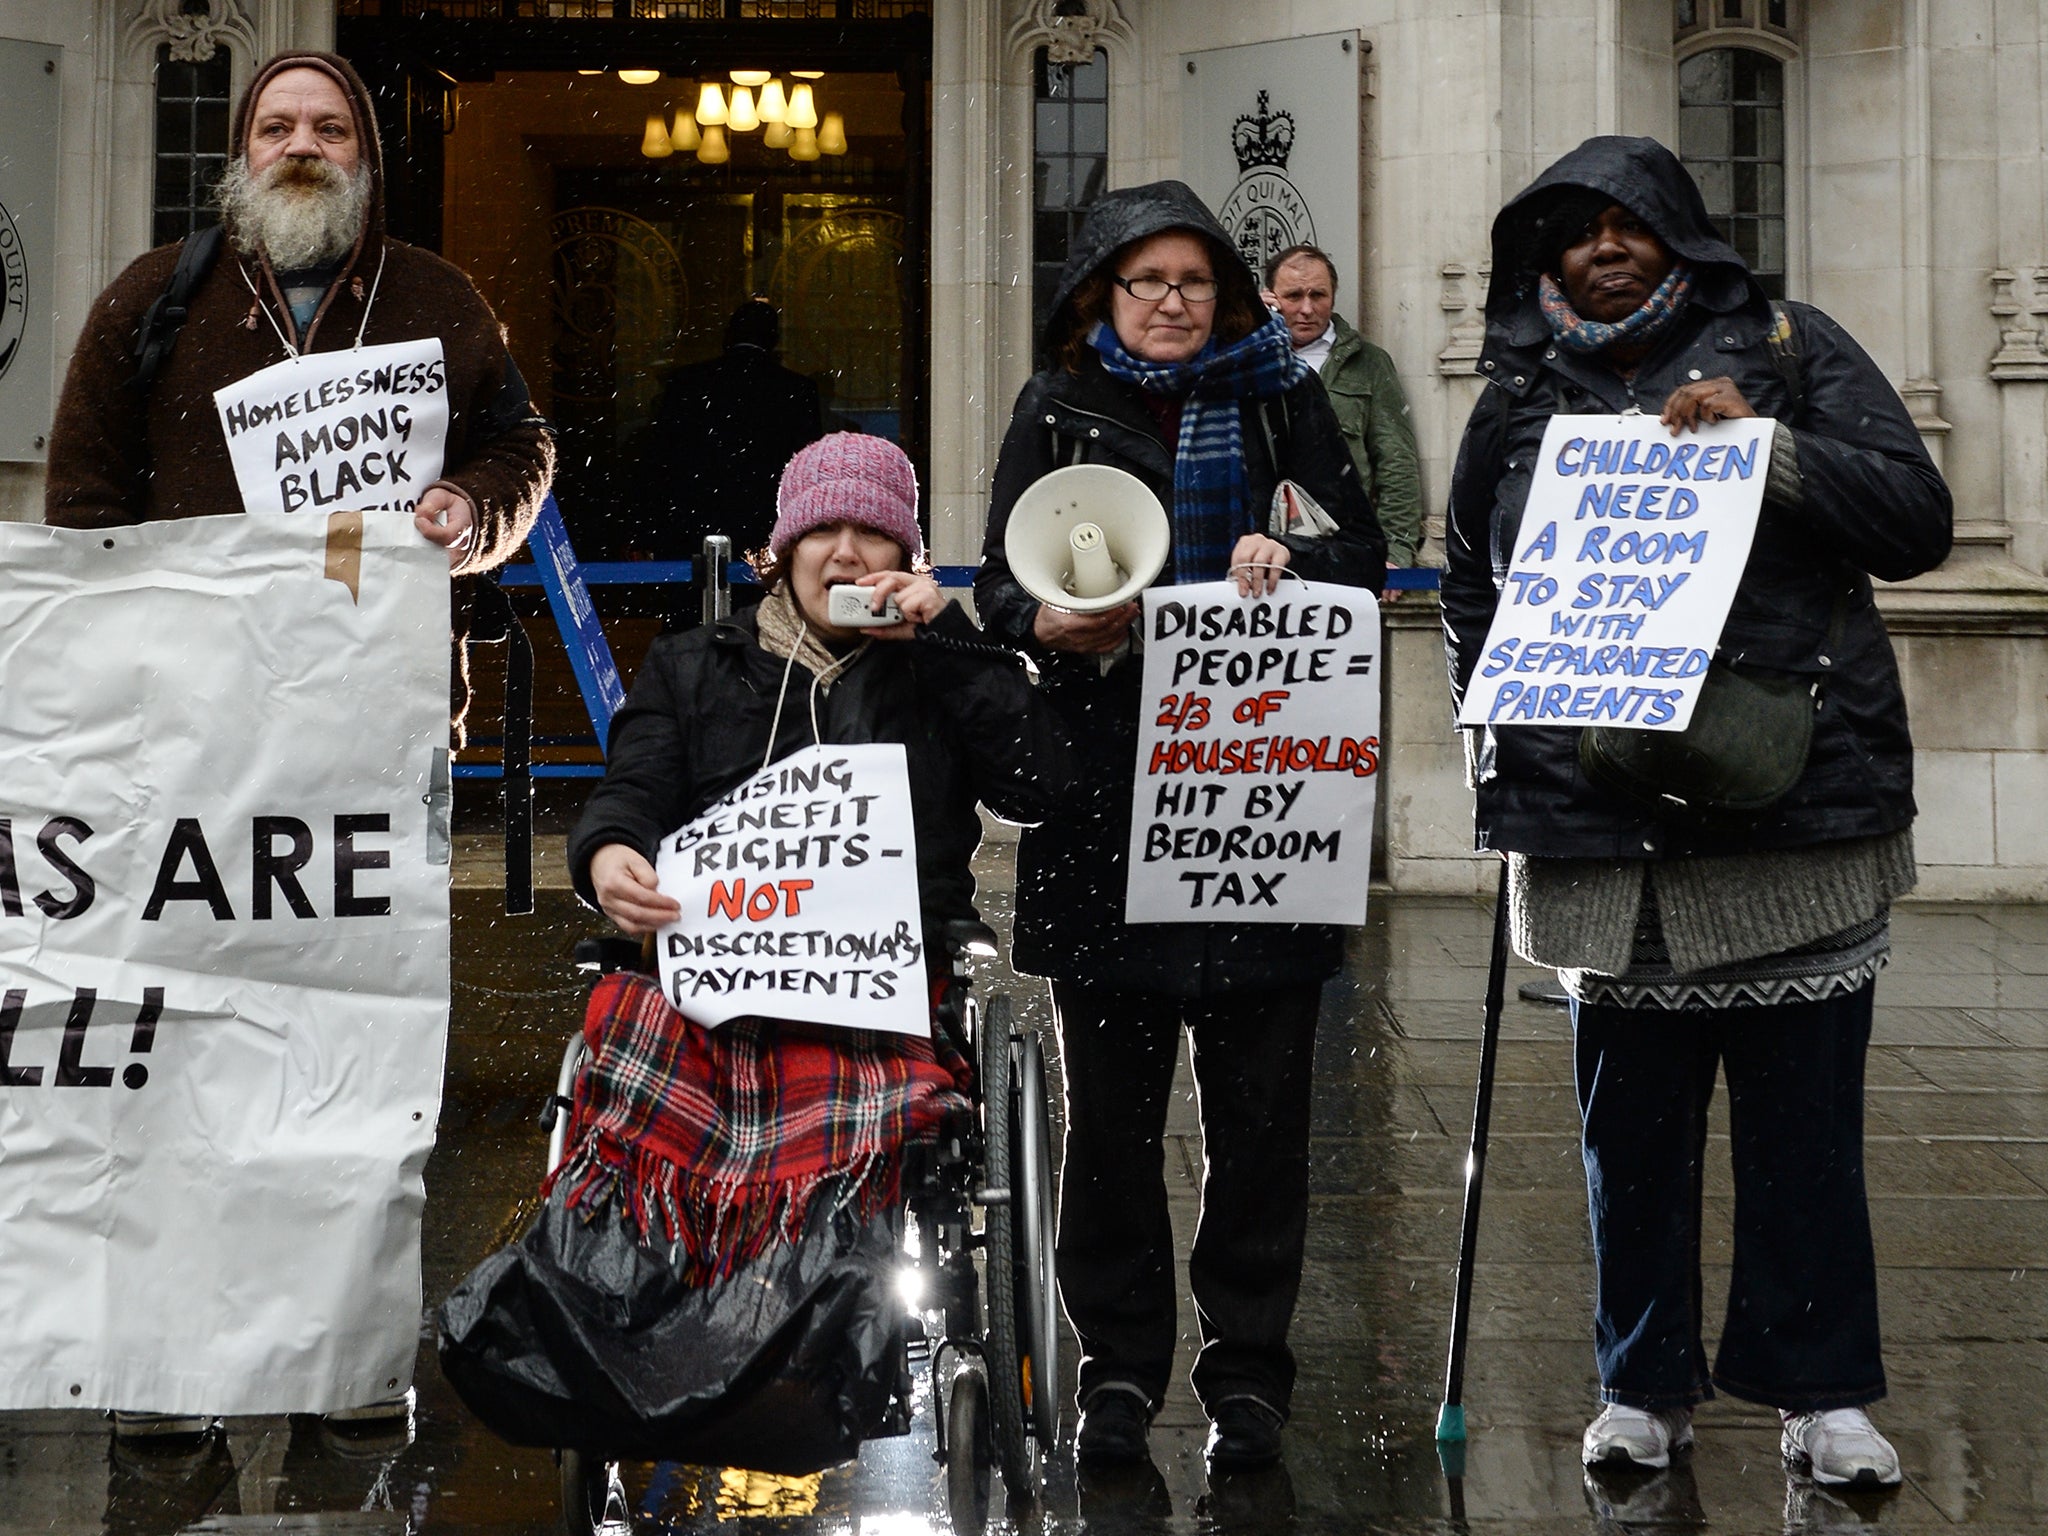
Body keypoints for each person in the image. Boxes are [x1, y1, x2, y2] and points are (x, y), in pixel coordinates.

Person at [1441, 137, 1951, 1488]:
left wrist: (1768, 447)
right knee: (1631, 1144)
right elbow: (1468, 593)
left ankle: (1823, 1394)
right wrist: (1488, 727)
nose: (1604, 247)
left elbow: (1914, 515)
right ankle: (1641, 1389)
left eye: (1630, 223)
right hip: (1602, 840)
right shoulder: (1514, 397)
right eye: (1575, 231)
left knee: (1805, 1140)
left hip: (1789, 815)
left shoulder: (1791, 347)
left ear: (1681, 232)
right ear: (1541, 258)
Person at [974, 181, 1386, 1476]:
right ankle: (1116, 1374)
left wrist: (1290, 558)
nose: (1169, 303)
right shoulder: (1056, 414)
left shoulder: (1281, 399)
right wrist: (1043, 622)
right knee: (1110, 1128)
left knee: (1262, 1122)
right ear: (1103, 294)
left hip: (1261, 797)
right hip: (1107, 800)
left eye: (1193, 283)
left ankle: (1249, 1374)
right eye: (1145, 282)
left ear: (1229, 297)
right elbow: (995, 579)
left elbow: (1361, 547)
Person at [44, 50, 554, 743]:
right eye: (276, 128)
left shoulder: (439, 298)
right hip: (188, 708)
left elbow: (521, 445)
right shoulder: (150, 296)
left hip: (387, 709)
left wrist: (474, 510)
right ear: (243, 156)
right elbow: (84, 499)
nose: (302, 146)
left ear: (364, 157)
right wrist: (121, 654)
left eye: (331, 130)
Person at [572, 430, 1073, 976]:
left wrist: (952, 648)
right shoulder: (692, 665)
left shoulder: (947, 665)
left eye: (872, 532)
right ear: (786, 553)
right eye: (822, 530)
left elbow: (1039, 790)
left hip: (885, 977)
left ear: (906, 557)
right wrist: (608, 849)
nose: (845, 552)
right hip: (723, 966)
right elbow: (636, 787)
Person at [1261, 243, 1426, 571]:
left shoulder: (1368, 363)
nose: (1307, 309)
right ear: (1271, 298)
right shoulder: (1246, 362)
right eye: (1294, 296)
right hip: (1262, 550)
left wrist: (1396, 549)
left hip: (1341, 548)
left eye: (1318, 295)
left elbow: (1395, 459)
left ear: (1333, 296)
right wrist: (1252, 332)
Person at [630, 299, 824, 564]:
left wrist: (643, 531)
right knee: (758, 604)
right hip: (764, 531)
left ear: (729, 334)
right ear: (774, 339)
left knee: (693, 601)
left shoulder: (687, 382)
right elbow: (806, 468)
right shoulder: (797, 390)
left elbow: (660, 459)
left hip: (690, 525)